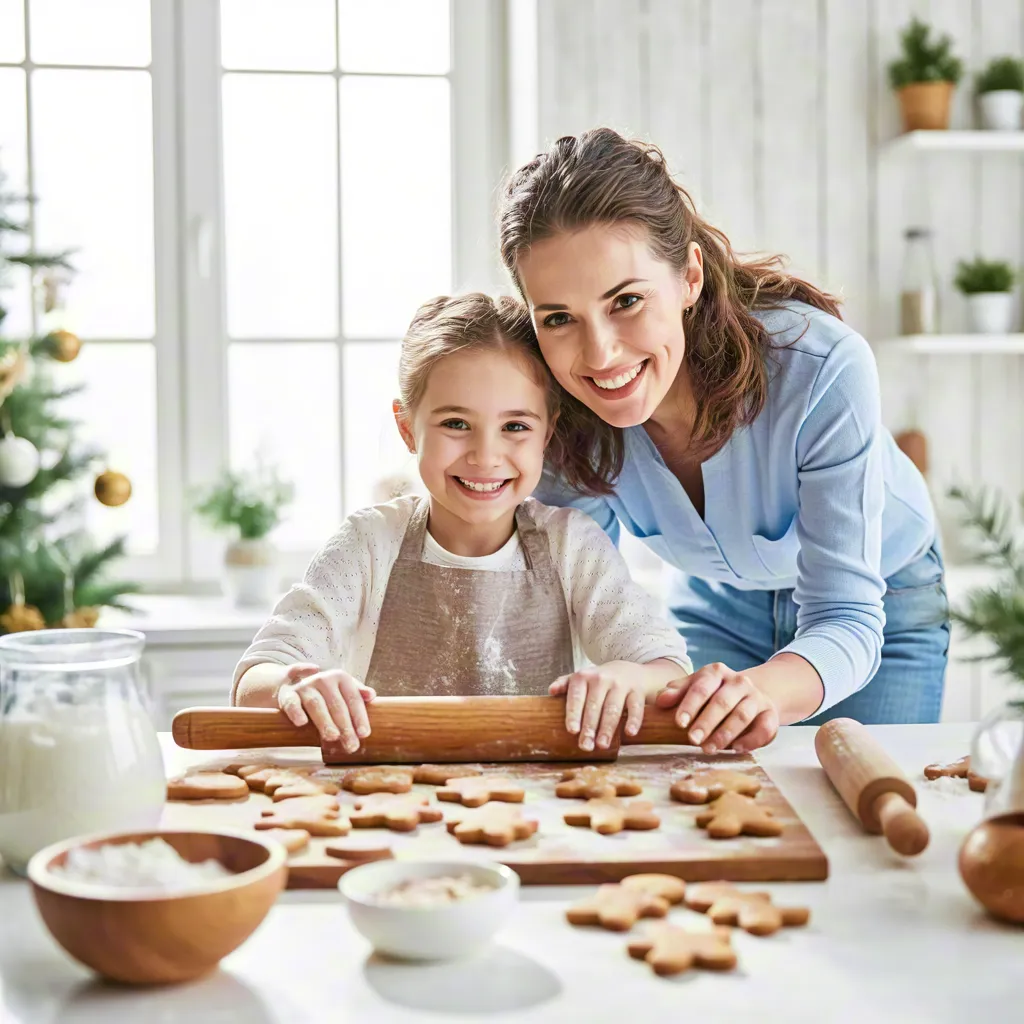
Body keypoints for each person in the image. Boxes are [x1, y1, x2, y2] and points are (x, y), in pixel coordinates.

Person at [498, 127, 948, 755]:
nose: (599, 354)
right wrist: (632, 667)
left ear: (689, 277)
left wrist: (763, 691)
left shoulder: (821, 368)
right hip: (716, 603)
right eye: (558, 318)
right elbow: (573, 592)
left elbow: (846, 616)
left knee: (868, 815)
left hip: (881, 600)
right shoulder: (557, 408)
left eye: (626, 300)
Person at [232, 292, 693, 754]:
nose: (485, 456)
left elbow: (668, 669)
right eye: (456, 423)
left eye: (515, 427)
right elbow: (255, 679)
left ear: (547, 433)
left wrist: (627, 676)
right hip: (391, 804)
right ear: (408, 427)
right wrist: (291, 684)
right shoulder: (369, 544)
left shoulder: (572, 546)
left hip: (538, 809)